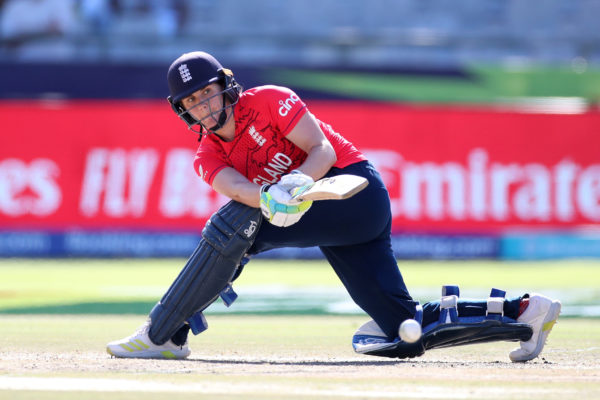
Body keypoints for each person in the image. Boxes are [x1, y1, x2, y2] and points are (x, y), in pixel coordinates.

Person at [107, 51, 561, 362]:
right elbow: (239, 191)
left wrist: (296, 183)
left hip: (354, 194)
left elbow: (321, 149)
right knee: (403, 331)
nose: (203, 105)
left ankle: (163, 333)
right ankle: (526, 314)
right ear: (182, 110)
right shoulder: (206, 156)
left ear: (224, 87)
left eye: (207, 92)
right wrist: (269, 197)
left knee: (234, 230)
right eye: (192, 101)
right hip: (320, 217)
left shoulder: (269, 100)